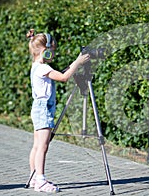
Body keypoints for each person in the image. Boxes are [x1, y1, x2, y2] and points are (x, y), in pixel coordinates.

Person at [26, 29, 90, 193]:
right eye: (52, 51)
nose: (54, 54)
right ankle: (40, 180)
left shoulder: (37, 67)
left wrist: (74, 64)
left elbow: (60, 73)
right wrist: (77, 62)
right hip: (44, 110)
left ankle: (34, 178)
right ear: (45, 51)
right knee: (43, 146)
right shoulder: (43, 68)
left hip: (38, 108)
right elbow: (63, 78)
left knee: (37, 146)